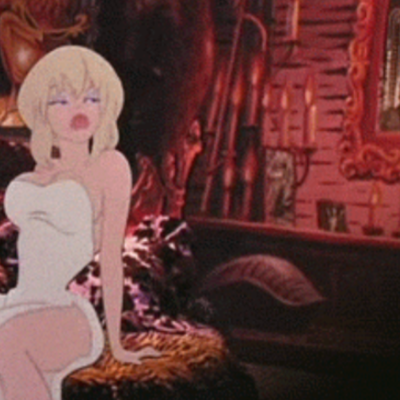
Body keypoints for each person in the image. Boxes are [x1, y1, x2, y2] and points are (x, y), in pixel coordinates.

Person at [0, 45, 160, 400]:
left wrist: (117, 344)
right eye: (62, 100)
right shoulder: (38, 174)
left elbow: (112, 260)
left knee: (8, 339)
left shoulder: (109, 167)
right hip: (19, 303)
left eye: (91, 98)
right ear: (42, 111)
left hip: (66, 317)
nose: (79, 109)